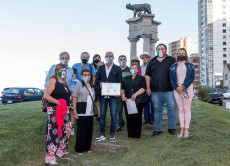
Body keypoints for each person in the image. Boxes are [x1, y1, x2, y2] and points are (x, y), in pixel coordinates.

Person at [145, 43, 177, 137]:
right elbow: (147, 75)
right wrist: (148, 88)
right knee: (157, 109)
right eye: (158, 49)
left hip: (169, 90)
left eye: (162, 48)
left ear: (166, 50)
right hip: (155, 91)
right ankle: (158, 129)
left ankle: (172, 128)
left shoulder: (171, 60)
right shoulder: (152, 61)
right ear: (156, 50)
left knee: (172, 108)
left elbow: (176, 72)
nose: (160, 50)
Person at [44, 63, 72, 165]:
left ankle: (61, 150)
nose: (63, 72)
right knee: (54, 132)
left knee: (68, 129)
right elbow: (46, 95)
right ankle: (50, 157)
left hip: (65, 109)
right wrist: (58, 102)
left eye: (65, 70)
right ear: (56, 71)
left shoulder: (65, 84)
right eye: (61, 70)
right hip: (55, 109)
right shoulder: (53, 81)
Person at [44, 52, 74, 139]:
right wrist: (51, 93)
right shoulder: (53, 68)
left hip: (65, 102)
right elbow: (47, 81)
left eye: (66, 58)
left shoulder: (71, 70)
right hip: (54, 102)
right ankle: (48, 136)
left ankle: (62, 144)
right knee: (53, 124)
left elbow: (71, 84)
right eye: (63, 58)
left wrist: (71, 95)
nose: (65, 59)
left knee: (65, 125)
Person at [95, 51, 122, 142]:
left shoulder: (117, 68)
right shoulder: (101, 68)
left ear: (113, 57)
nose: (108, 57)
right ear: (104, 57)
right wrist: (100, 83)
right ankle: (102, 133)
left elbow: (120, 81)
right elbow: (97, 80)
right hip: (103, 95)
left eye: (110, 56)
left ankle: (112, 133)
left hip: (114, 96)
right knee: (102, 114)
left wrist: (118, 91)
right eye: (107, 56)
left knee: (113, 115)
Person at [170, 48, 195, 138]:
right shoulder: (173, 66)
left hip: (187, 89)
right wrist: (177, 88)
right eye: (179, 53)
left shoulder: (190, 65)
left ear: (186, 55)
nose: (181, 54)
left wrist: (183, 86)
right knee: (180, 109)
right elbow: (171, 79)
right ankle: (182, 129)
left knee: (186, 108)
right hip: (177, 90)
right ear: (177, 55)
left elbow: (191, 78)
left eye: (183, 53)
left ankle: (186, 130)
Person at [72, 68, 95, 155]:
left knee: (89, 131)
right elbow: (74, 98)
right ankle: (79, 149)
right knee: (81, 131)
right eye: (85, 75)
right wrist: (75, 111)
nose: (87, 76)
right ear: (81, 76)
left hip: (90, 112)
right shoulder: (78, 85)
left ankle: (87, 147)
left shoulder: (92, 86)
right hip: (81, 111)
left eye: (88, 75)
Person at [121, 64, 146, 141]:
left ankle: (137, 135)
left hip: (137, 100)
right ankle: (130, 134)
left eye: (135, 68)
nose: (134, 69)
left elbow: (143, 88)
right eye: (132, 68)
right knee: (129, 117)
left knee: (137, 118)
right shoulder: (125, 78)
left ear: (138, 69)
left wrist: (135, 94)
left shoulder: (141, 78)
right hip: (127, 101)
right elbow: (122, 88)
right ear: (130, 69)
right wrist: (123, 96)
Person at [116, 55, 130, 132]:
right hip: (118, 94)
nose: (122, 60)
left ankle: (130, 125)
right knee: (119, 111)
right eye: (120, 59)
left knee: (128, 110)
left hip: (127, 94)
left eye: (124, 59)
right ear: (118, 61)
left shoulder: (129, 70)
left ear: (126, 60)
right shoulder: (116, 70)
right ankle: (120, 125)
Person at [140, 52, 154, 124]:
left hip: (151, 86)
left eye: (146, 57)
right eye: (143, 57)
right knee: (145, 103)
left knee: (153, 103)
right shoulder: (141, 67)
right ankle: (146, 119)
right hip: (143, 87)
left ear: (149, 58)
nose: (145, 58)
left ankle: (152, 119)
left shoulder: (152, 66)